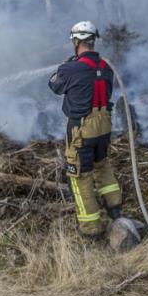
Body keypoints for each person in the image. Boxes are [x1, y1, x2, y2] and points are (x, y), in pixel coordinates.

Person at [48, 21, 123, 237]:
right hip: (104, 127)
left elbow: (54, 85)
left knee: (80, 177)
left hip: (82, 130)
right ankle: (115, 209)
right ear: (93, 41)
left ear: (76, 41)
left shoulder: (70, 68)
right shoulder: (106, 67)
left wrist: (65, 66)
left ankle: (91, 229)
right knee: (102, 165)